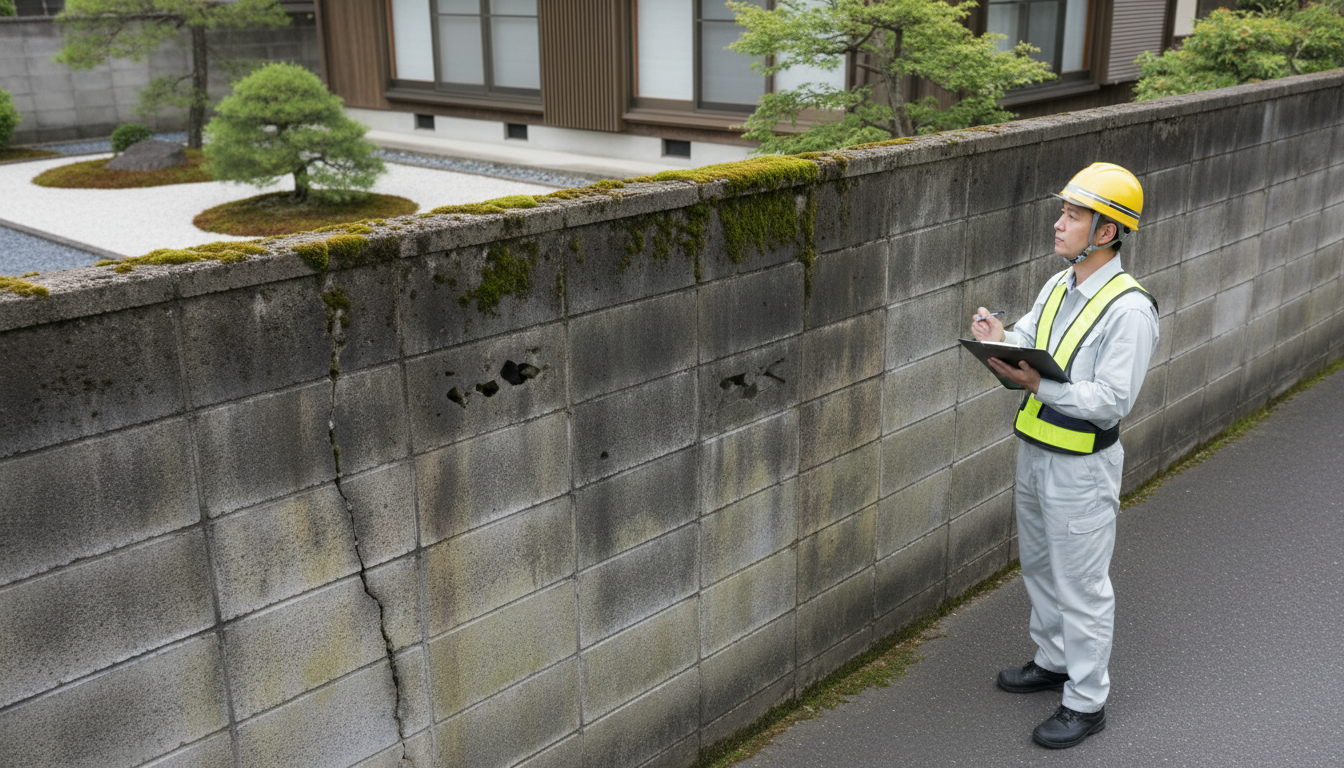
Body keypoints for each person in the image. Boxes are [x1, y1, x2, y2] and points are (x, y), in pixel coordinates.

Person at [969, 162, 1159, 749]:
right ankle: (1052, 661)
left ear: (1106, 232)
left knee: (1081, 583)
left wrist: (1036, 386)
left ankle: (1086, 700)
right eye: (1063, 212)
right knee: (1042, 567)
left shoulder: (1129, 309)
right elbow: (1030, 338)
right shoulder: (1059, 284)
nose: (1059, 224)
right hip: (1036, 450)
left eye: (1073, 216)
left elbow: (1109, 402)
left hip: (1082, 466)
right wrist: (998, 339)